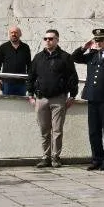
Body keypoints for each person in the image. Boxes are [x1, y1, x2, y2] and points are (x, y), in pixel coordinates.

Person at [27, 28, 78, 169]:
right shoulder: (38, 57)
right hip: (41, 99)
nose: (48, 41)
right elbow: (31, 76)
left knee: (57, 130)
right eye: (45, 39)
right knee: (44, 129)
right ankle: (45, 157)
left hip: (59, 99)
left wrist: (72, 96)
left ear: (57, 40)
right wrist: (30, 95)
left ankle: (56, 157)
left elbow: (73, 78)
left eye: (50, 39)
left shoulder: (65, 57)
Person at [71, 28, 104, 171]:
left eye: (100, 40)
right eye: (95, 40)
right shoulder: (91, 55)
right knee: (94, 130)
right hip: (92, 97)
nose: (97, 43)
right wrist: (84, 47)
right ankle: (96, 158)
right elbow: (75, 57)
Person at [0, 26, 31, 97]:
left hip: (21, 83)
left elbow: (29, 65)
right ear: (9, 34)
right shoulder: (3, 47)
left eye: (16, 32)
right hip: (7, 83)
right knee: (7, 104)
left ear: (20, 34)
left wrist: (29, 80)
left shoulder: (26, 47)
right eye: (11, 32)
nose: (13, 34)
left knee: (20, 104)